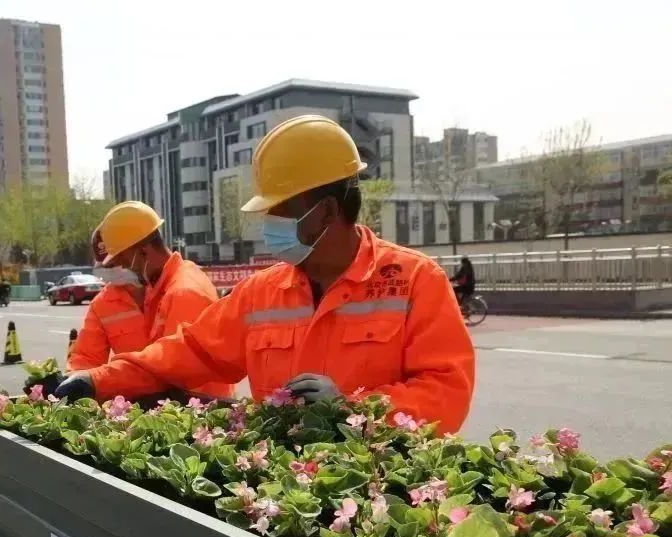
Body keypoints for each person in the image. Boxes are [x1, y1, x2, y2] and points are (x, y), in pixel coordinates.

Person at [55, 115, 475, 433]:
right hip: (281, 495)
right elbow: (184, 354)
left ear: (326, 211)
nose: (267, 224)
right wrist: (96, 380)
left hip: (374, 499)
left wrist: (353, 410)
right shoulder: (262, 292)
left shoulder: (415, 281)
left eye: (278, 211)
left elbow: (446, 392)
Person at [91, 200, 233, 400]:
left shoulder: (183, 292)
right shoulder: (161, 286)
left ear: (143, 251)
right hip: (185, 405)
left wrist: (95, 381)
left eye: (124, 261)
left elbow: (168, 370)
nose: (126, 269)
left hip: (200, 409)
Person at [66, 228, 148, 371]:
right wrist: (75, 378)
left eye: (116, 262)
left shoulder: (169, 286)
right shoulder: (102, 305)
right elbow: (87, 359)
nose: (114, 271)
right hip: (135, 383)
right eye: (108, 266)